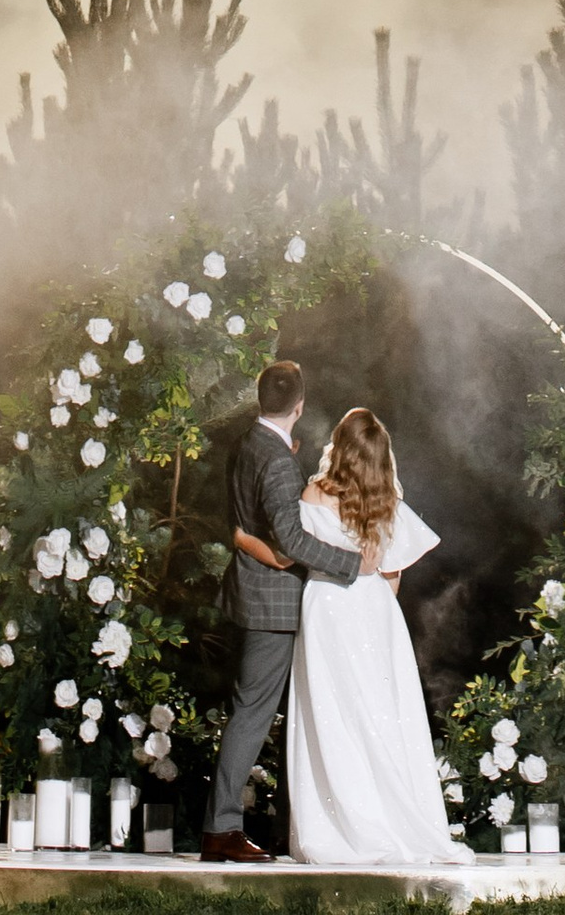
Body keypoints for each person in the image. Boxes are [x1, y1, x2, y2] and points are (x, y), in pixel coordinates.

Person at [232, 402, 454, 868]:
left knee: (332, 716)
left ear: (341, 448)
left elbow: (294, 546)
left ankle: (341, 823)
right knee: (378, 712)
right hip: (375, 612)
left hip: (329, 609)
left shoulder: (313, 495)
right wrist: (380, 613)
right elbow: (392, 576)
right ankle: (390, 817)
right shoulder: (387, 502)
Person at [202, 357, 369, 861]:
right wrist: (350, 563)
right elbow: (291, 539)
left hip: (251, 592)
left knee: (271, 714)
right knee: (253, 713)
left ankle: (280, 826)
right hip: (271, 602)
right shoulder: (276, 458)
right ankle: (222, 829)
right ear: (299, 406)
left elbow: (241, 521)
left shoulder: (247, 443)